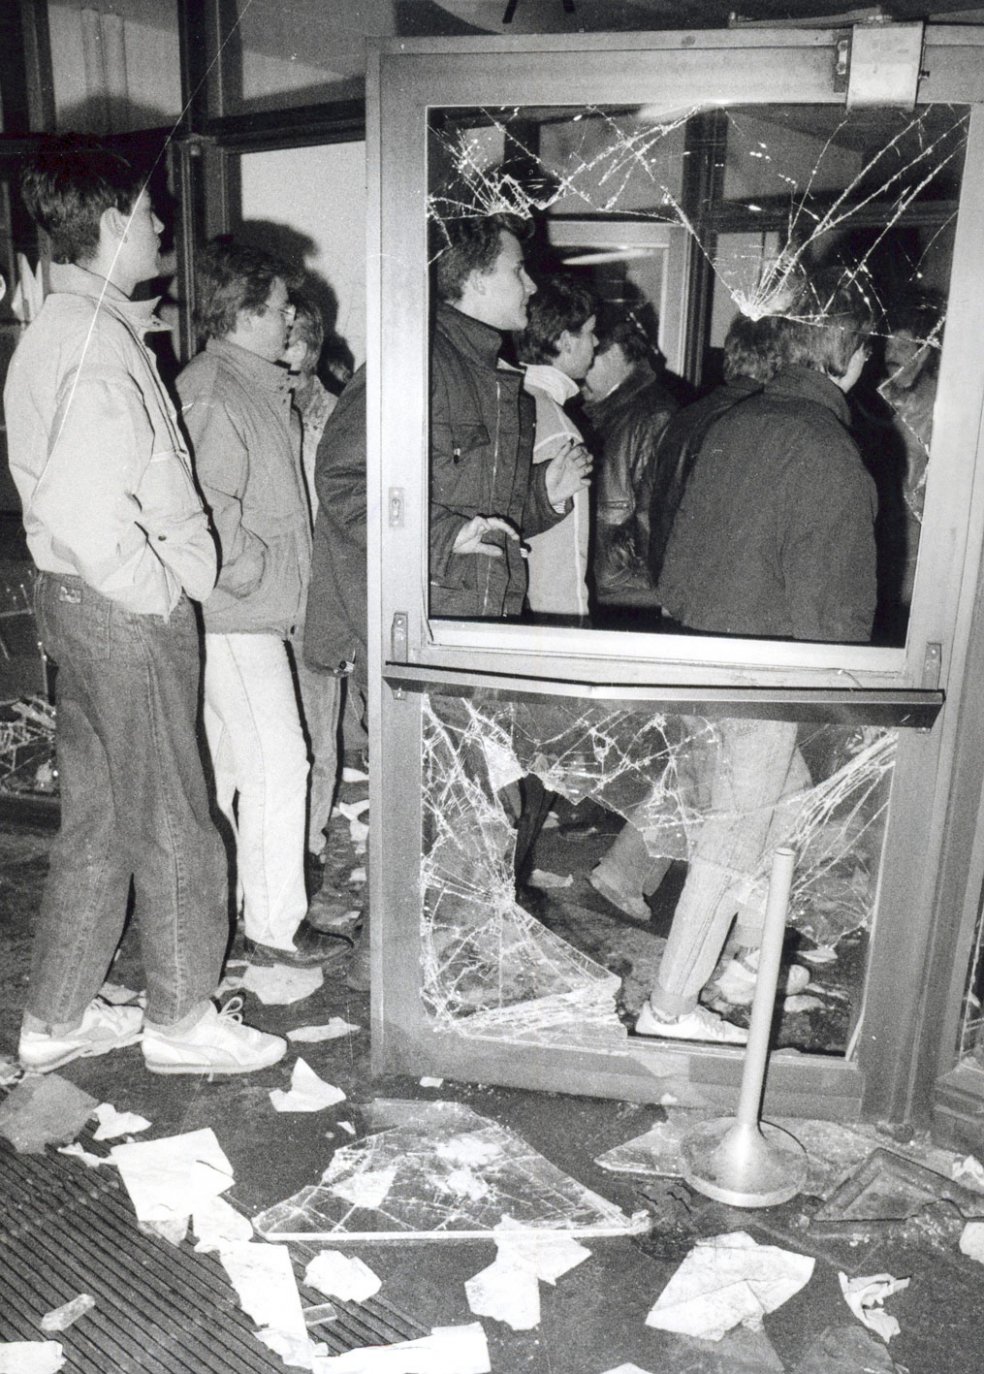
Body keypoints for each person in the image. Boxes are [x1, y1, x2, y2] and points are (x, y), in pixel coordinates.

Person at [4, 136, 286, 1075]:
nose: (164, 226)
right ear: (113, 225)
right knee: (173, 817)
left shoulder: (67, 327)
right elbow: (89, 515)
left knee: (103, 820)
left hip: (76, 605)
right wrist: (159, 591)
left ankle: (55, 1019)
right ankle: (179, 1020)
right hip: (123, 612)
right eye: (151, 213)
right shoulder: (94, 347)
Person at [633, 276, 878, 1043]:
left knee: (781, 818)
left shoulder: (737, 421)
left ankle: (748, 962)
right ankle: (671, 1008)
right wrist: (848, 704)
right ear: (853, 355)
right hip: (769, 677)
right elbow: (835, 606)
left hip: (708, 657)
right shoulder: (828, 446)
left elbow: (678, 550)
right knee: (731, 844)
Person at [177, 240, 341, 969]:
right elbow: (205, 509)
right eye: (277, 308)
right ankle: (276, 927)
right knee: (284, 764)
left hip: (244, 615)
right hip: (235, 619)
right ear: (244, 310)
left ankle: (243, 916)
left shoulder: (249, 383)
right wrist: (254, 573)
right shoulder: (219, 388)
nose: (288, 321)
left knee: (239, 773)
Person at [588, 312, 782, 920]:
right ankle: (728, 922)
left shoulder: (690, 412)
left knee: (702, 755)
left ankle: (626, 871)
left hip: (672, 600)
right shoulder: (734, 422)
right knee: (724, 763)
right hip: (699, 608)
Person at [428, 212, 592, 617]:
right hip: (436, 623)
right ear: (478, 279)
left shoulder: (492, 375)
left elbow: (488, 515)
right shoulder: (421, 359)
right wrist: (444, 536)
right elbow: (345, 481)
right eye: (518, 271)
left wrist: (542, 492)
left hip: (476, 618)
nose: (531, 285)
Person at [644, 311, 782, 589]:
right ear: (780, 359)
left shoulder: (685, 416)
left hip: (672, 585)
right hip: (718, 592)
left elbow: (646, 509)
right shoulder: (759, 426)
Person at [283, 291, 341, 874]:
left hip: (314, 599)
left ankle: (308, 846)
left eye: (292, 337)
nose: (281, 347)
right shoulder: (256, 403)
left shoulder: (335, 417)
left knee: (316, 733)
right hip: (262, 597)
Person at [580, 312, 677, 615]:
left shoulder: (651, 417)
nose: (579, 365)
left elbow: (655, 526)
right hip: (615, 594)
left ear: (617, 351)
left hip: (628, 601)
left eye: (590, 353)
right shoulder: (612, 413)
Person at [518, 275, 599, 622]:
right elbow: (563, 566)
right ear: (566, 341)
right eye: (591, 332)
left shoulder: (507, 401)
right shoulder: (561, 434)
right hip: (544, 630)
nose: (596, 342)